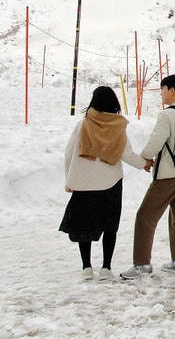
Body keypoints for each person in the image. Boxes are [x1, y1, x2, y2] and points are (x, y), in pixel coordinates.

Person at [60, 86, 144, 280]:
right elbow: (127, 154)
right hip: (110, 183)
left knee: (84, 225)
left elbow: (68, 152)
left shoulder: (83, 125)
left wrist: (69, 179)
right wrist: (145, 164)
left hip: (83, 183)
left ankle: (86, 267)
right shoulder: (117, 126)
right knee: (110, 225)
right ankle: (106, 267)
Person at [121, 74, 175, 279]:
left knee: (145, 216)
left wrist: (144, 159)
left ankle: (142, 263)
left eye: (162, 89)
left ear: (171, 90)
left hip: (168, 174)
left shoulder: (167, 115)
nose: (161, 93)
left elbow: (156, 141)